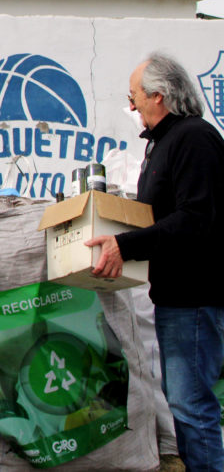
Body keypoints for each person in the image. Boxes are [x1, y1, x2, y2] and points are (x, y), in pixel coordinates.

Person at [86, 52, 224, 472]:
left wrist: (126, 245)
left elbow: (194, 217)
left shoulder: (194, 139)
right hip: (175, 296)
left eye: (134, 98)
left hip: (194, 296)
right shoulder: (165, 143)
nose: (131, 108)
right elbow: (159, 215)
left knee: (191, 403)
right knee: (187, 402)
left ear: (159, 97)